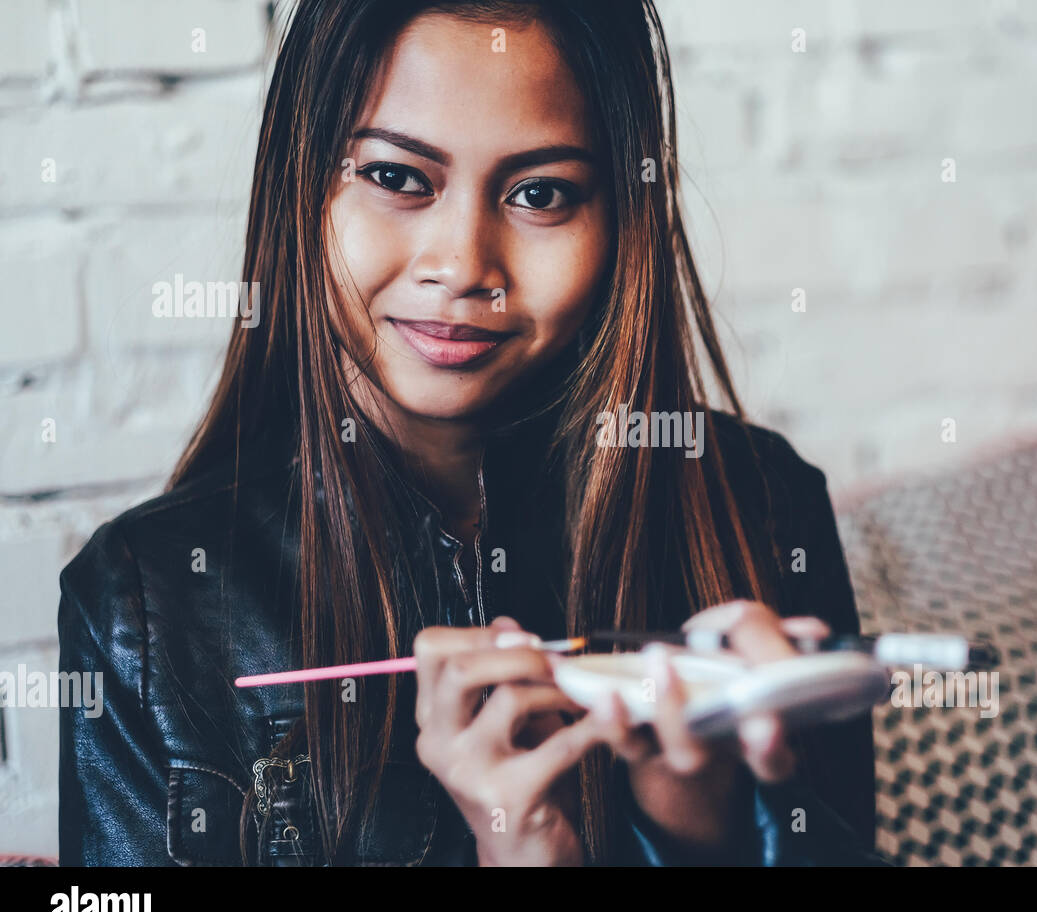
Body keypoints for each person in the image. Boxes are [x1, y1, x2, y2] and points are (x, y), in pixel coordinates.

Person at [58, 0, 880, 866]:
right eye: (399, 178)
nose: (462, 267)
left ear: (620, 220)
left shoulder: (762, 508)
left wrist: (702, 835)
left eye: (540, 194)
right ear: (299, 185)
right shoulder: (142, 610)